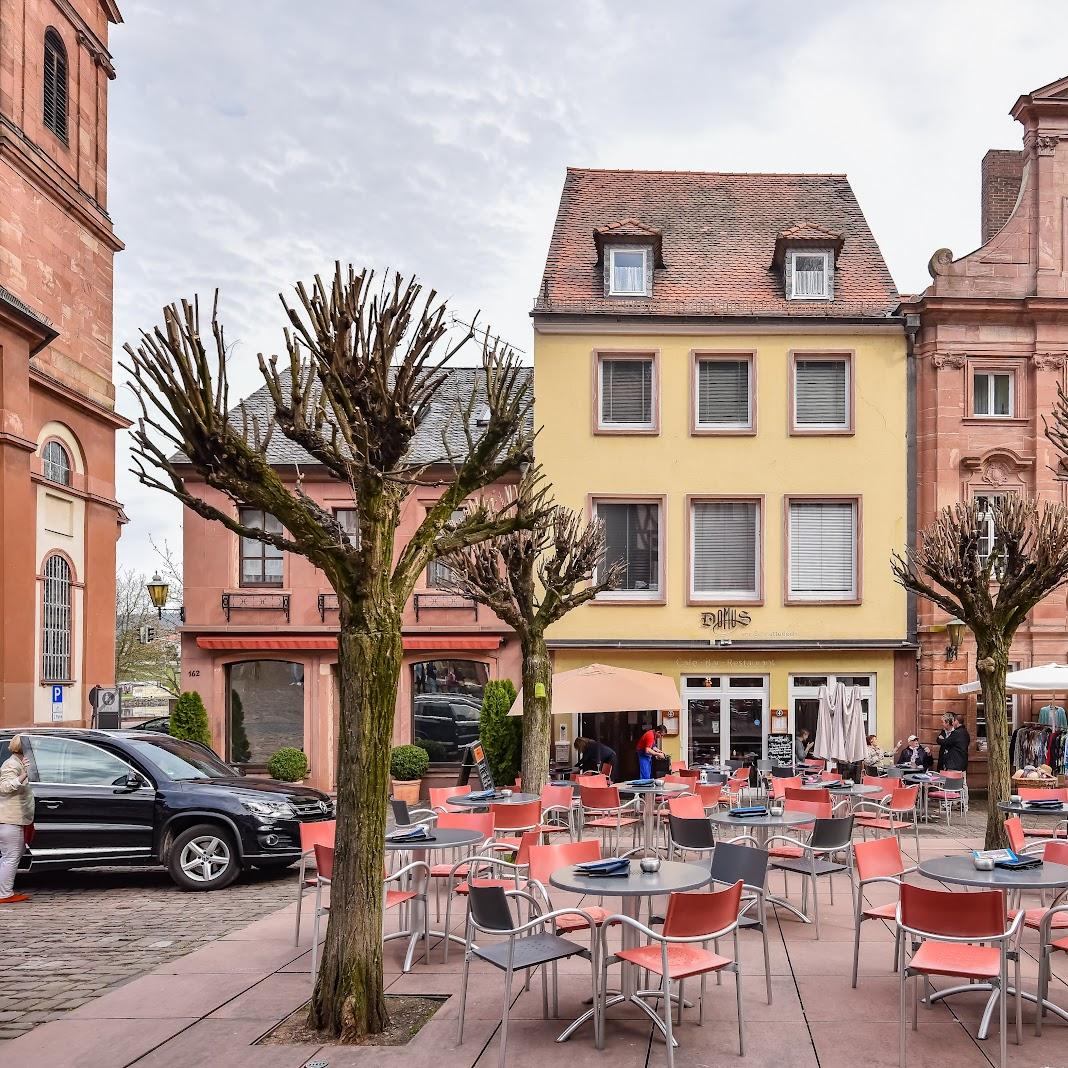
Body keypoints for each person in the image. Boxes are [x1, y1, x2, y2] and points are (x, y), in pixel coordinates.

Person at [0, 735, 34, 904]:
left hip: (16, 818)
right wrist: (24, 775)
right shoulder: (11, 764)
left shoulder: (19, 763)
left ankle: (5, 890)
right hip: (9, 818)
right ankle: (4, 893)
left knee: (14, 854)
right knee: (11, 856)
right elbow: (4, 787)